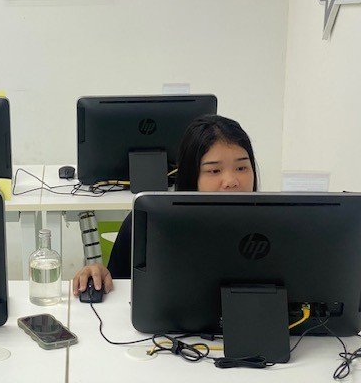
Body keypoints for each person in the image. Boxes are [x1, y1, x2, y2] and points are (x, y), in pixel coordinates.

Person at [72, 114, 258, 297]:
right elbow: (116, 285)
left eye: (241, 168)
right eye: (214, 170)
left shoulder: (270, 223)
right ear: (191, 176)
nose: (231, 181)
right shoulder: (147, 223)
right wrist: (100, 274)